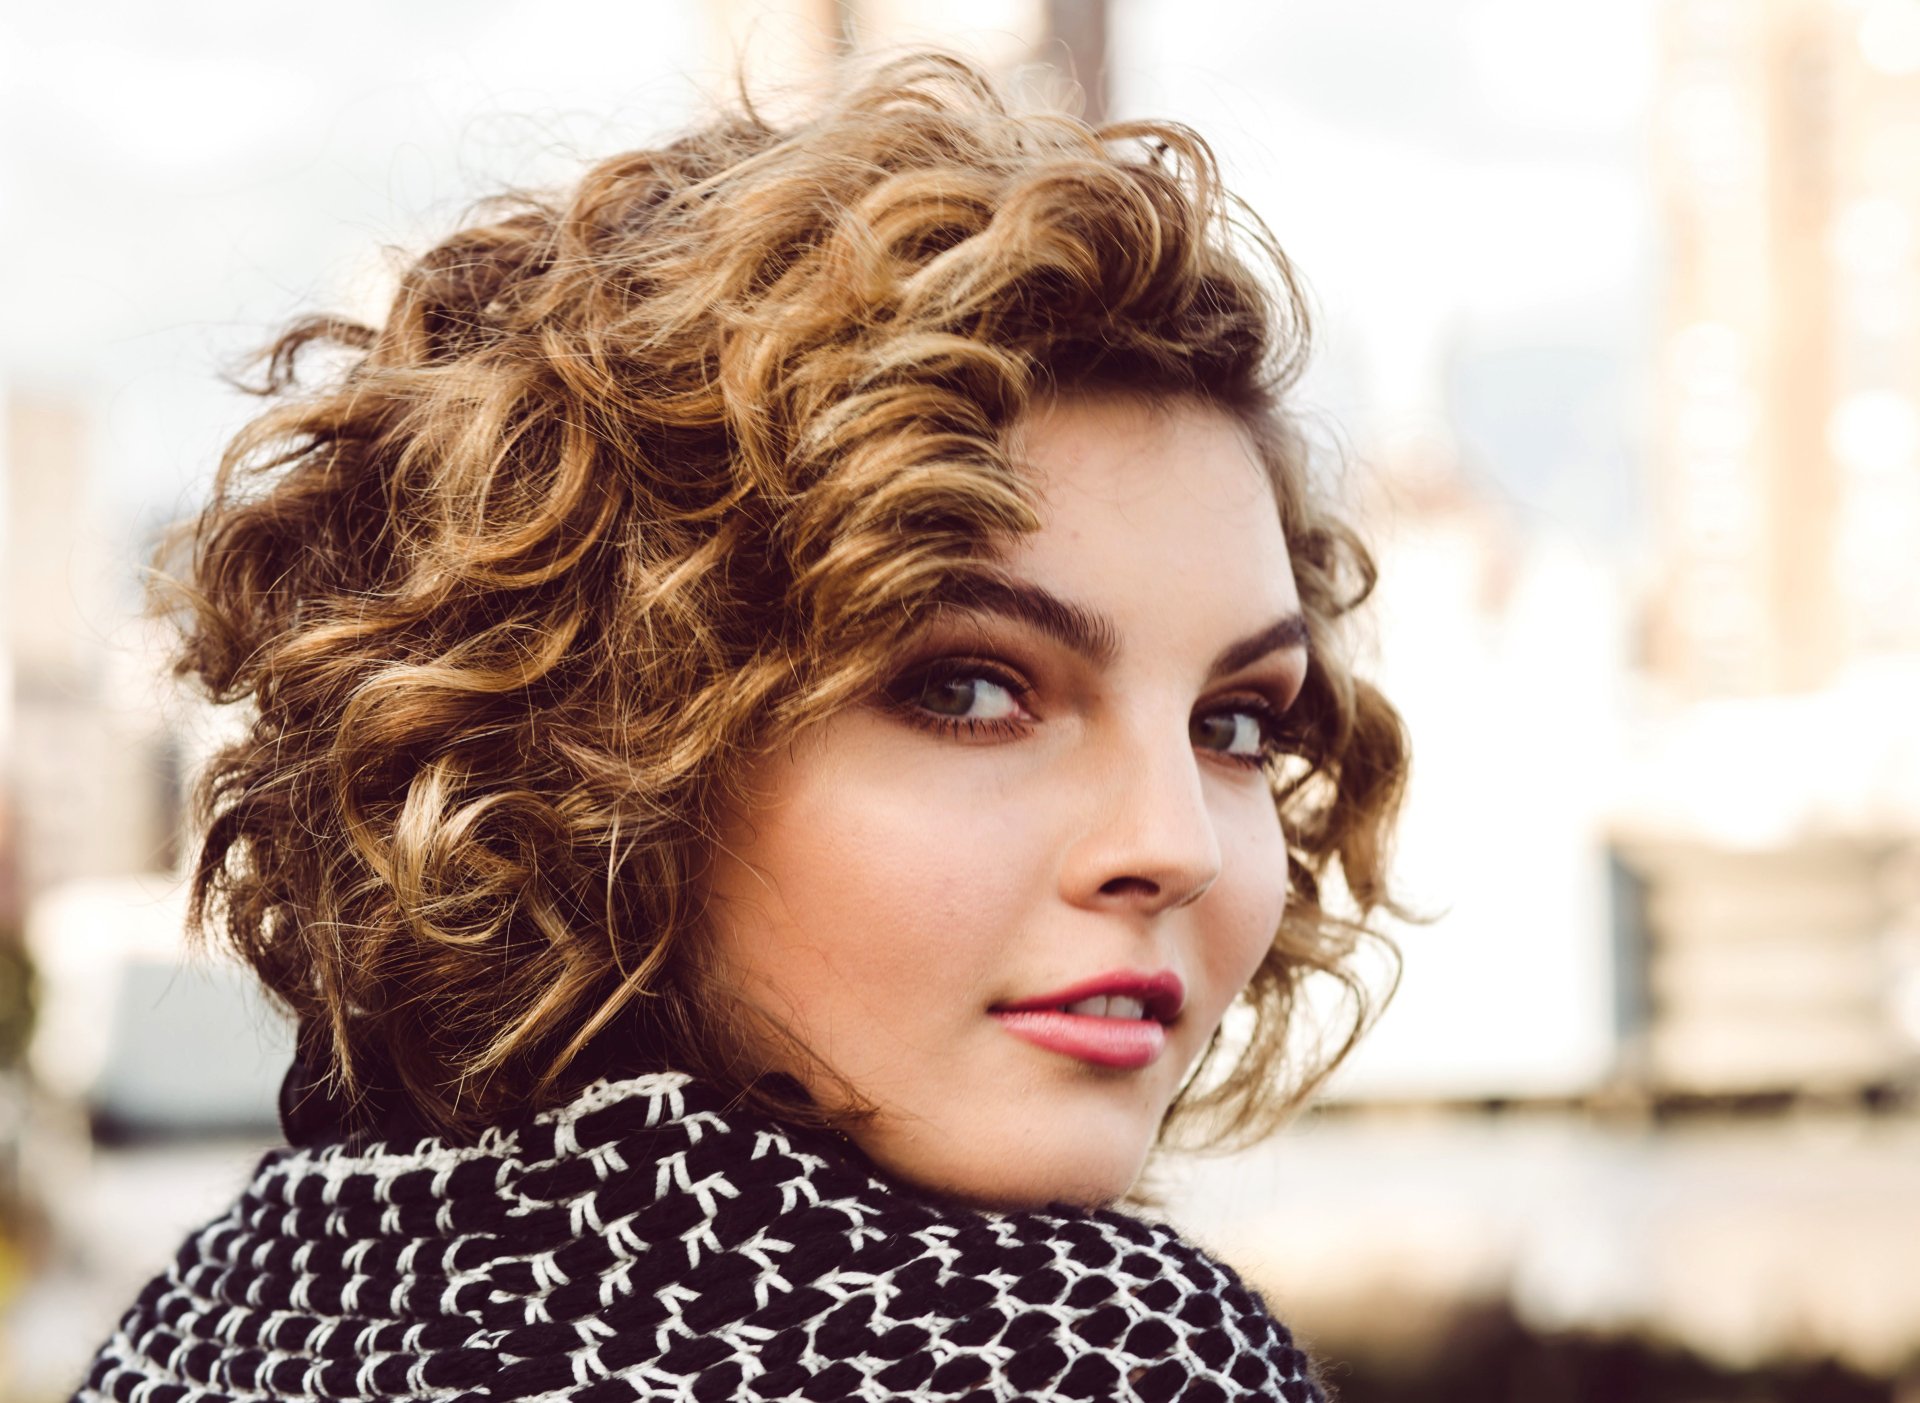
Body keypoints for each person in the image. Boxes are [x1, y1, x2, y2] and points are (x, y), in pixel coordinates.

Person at [74, 51, 1408, 1402]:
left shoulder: (213, 1324)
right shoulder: (1089, 1353)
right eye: (969, 689)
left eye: (1238, 724)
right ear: (605, 737)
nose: (1178, 847)